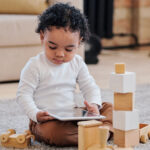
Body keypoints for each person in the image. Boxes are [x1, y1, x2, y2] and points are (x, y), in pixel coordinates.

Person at [16, 3, 113, 147]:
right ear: (42, 36)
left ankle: (96, 132)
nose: (60, 54)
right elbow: (23, 95)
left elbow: (90, 87)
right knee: (55, 133)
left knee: (110, 107)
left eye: (68, 49)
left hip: (72, 114)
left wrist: (94, 105)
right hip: (45, 121)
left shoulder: (77, 62)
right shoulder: (34, 65)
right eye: (52, 47)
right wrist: (35, 114)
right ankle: (102, 133)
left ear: (79, 42)